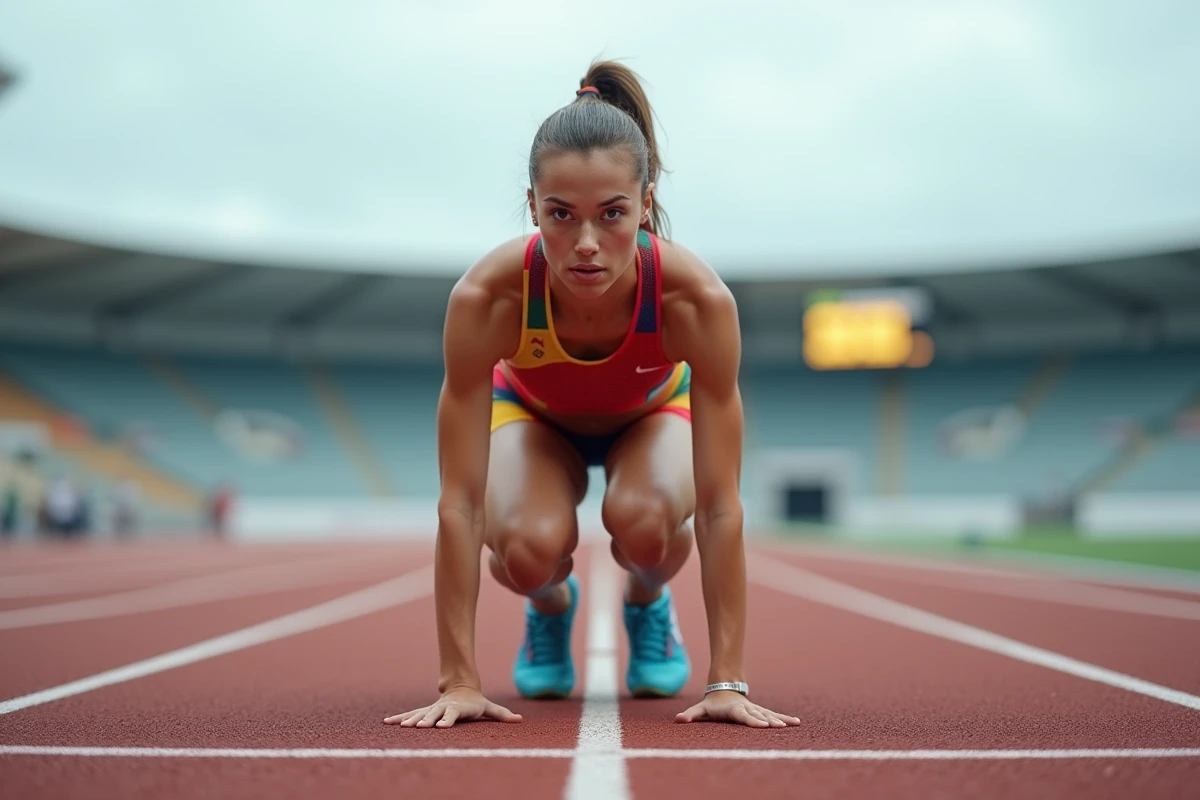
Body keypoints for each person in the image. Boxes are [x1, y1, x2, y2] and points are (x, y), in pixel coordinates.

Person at [385, 61, 800, 731]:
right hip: (533, 417)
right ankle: (550, 607)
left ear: (645, 202)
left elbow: (721, 507)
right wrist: (458, 681)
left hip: (651, 412)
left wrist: (727, 681)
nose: (585, 245)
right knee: (522, 545)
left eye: (612, 215)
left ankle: (647, 600)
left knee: (644, 520)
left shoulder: (694, 302)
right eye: (560, 215)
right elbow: (459, 504)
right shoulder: (487, 299)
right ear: (533, 208)